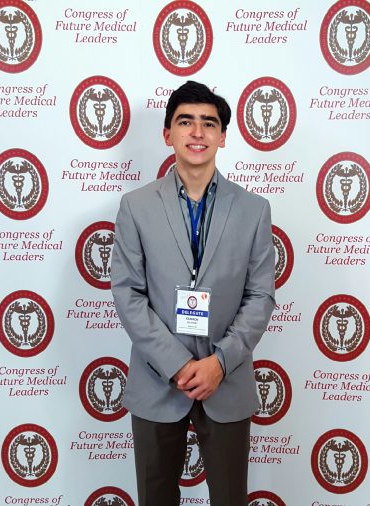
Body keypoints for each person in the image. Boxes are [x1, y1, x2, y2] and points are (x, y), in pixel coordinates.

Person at [111, 81, 275, 505]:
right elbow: (128, 293)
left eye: (209, 123)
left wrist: (219, 363)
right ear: (168, 134)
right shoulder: (136, 206)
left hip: (227, 381)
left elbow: (261, 297)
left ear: (223, 136)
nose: (197, 132)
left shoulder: (254, 209)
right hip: (156, 381)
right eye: (186, 122)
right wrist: (178, 363)